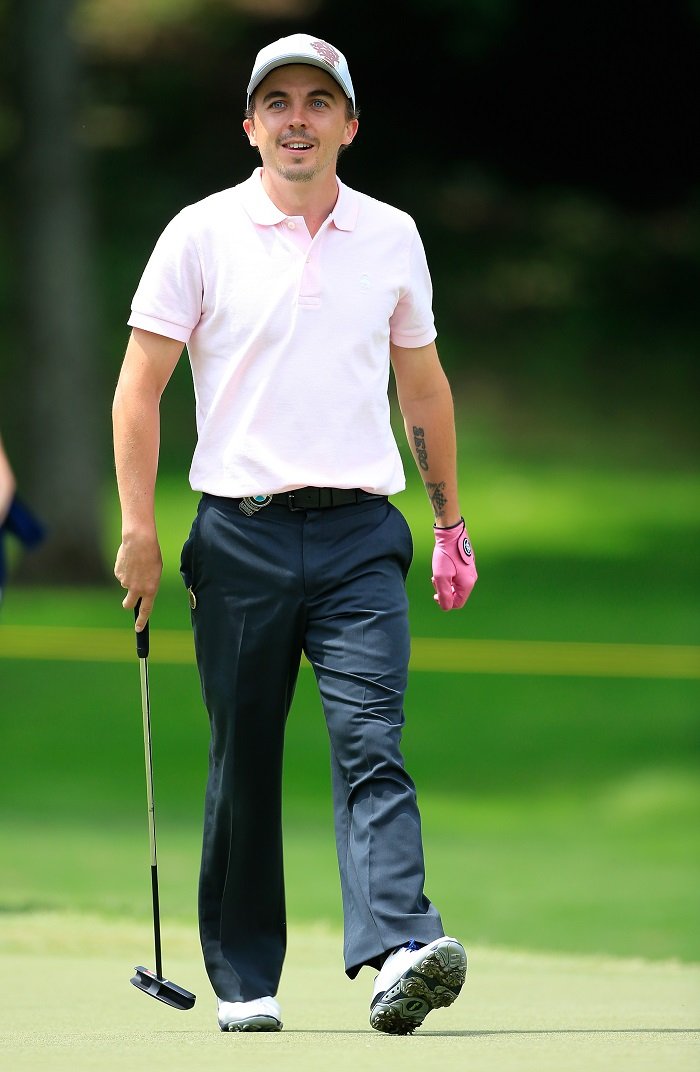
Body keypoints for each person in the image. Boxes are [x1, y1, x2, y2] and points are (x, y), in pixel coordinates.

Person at [113, 33, 477, 1035]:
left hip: (361, 531)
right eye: (277, 102)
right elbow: (139, 389)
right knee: (244, 754)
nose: (298, 118)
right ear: (250, 124)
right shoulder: (199, 233)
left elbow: (424, 382)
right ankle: (243, 976)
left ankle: (399, 945)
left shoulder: (392, 236)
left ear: (349, 124)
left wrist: (449, 520)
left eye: (320, 101)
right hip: (239, 535)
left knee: (372, 740)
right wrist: (139, 530)